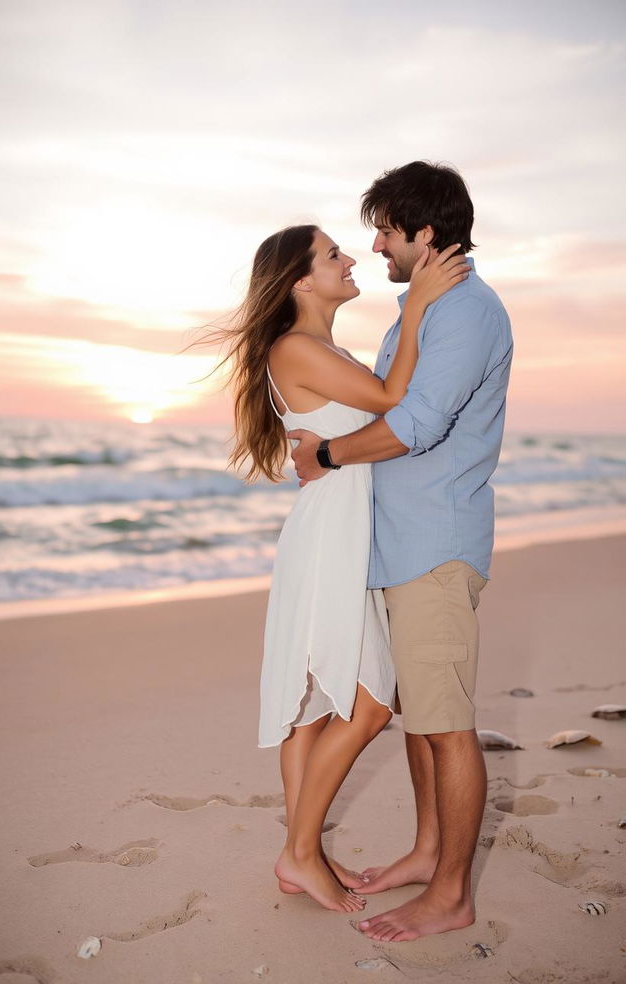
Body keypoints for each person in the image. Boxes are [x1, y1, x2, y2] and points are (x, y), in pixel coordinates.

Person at [290, 161, 513, 941]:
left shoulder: (464, 312)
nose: (376, 244)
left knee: (447, 723)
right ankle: (427, 852)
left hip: (435, 544)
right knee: (422, 714)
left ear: (422, 232)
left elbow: (414, 424)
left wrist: (326, 457)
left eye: (385, 229)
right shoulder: (427, 308)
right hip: (400, 545)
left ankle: (450, 893)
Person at [219, 223, 469, 914]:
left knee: (314, 710)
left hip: (336, 531)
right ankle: (299, 852)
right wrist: (415, 305)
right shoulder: (298, 346)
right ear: (300, 279)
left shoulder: (319, 347)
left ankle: (303, 853)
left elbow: (376, 419)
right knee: (367, 704)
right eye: (333, 254)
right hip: (331, 536)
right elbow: (395, 400)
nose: (351, 257)